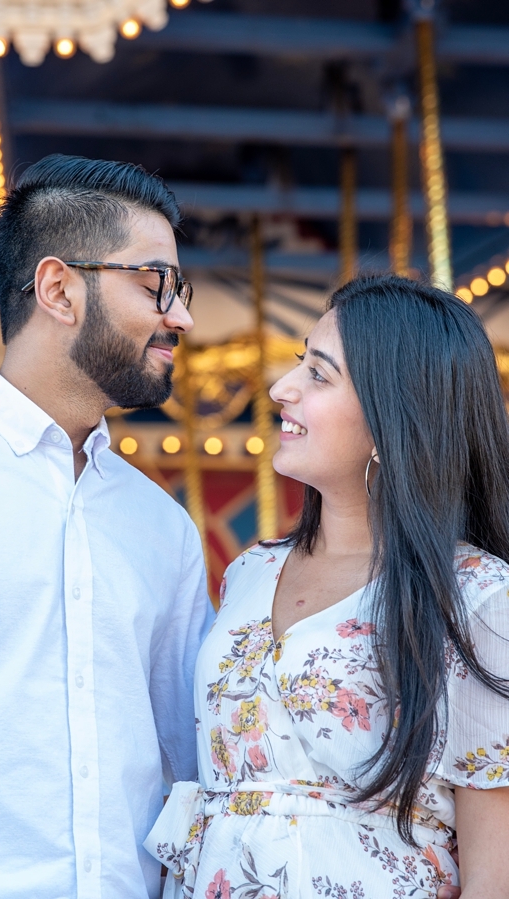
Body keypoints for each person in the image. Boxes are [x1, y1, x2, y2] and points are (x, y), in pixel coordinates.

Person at [0, 154, 213, 899]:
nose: (182, 316)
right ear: (58, 288)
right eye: (156, 284)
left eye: (181, 289)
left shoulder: (160, 525)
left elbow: (187, 755)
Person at [146, 275, 509, 898]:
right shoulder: (250, 572)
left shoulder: (475, 595)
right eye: (298, 364)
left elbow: (494, 871)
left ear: (394, 412)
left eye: (318, 374)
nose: (281, 389)